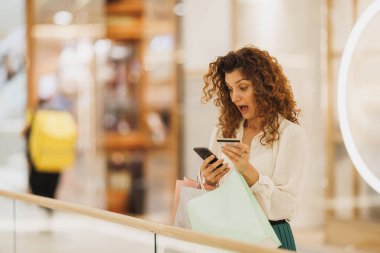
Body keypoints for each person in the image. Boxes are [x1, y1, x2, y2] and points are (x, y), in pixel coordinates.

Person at [199, 46, 308, 251]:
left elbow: (285, 206)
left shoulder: (290, 135)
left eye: (242, 87)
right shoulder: (225, 130)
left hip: (270, 237)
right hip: (228, 234)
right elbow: (216, 194)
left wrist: (247, 170)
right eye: (230, 89)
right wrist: (209, 180)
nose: (234, 97)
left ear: (263, 87)